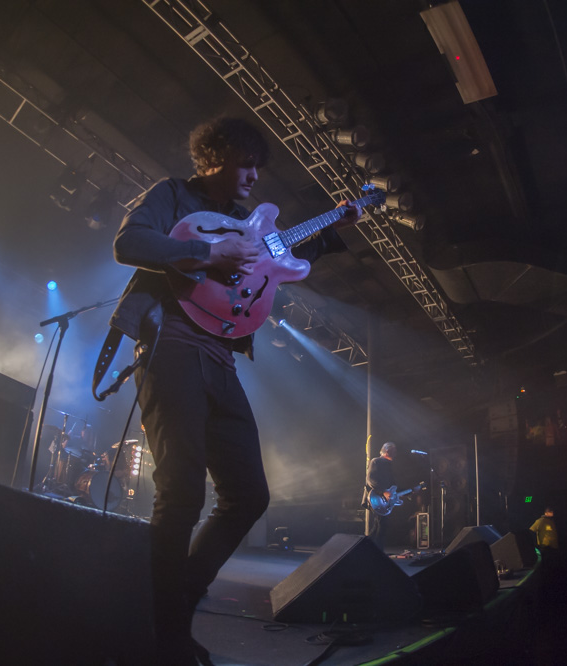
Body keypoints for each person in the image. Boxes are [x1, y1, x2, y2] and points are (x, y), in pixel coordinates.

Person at [110, 116, 360, 664]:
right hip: (170, 344)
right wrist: (203, 256)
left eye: (257, 167)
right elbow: (128, 242)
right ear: (214, 156)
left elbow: (275, 267)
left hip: (220, 356)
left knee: (249, 496)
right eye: (246, 162)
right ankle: (165, 634)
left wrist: (334, 229)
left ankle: (172, 609)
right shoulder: (172, 195)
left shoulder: (253, 223)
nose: (253, 175)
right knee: (181, 494)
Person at [363, 441, 398, 548]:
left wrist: (409, 491)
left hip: (382, 499)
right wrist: (383, 491)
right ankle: (376, 550)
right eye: (393, 450)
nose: (395, 453)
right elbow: (370, 479)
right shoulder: (376, 461)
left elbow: (393, 485)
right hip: (375, 497)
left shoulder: (389, 465)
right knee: (381, 524)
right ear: (387, 451)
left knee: (379, 525)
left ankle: (367, 547)